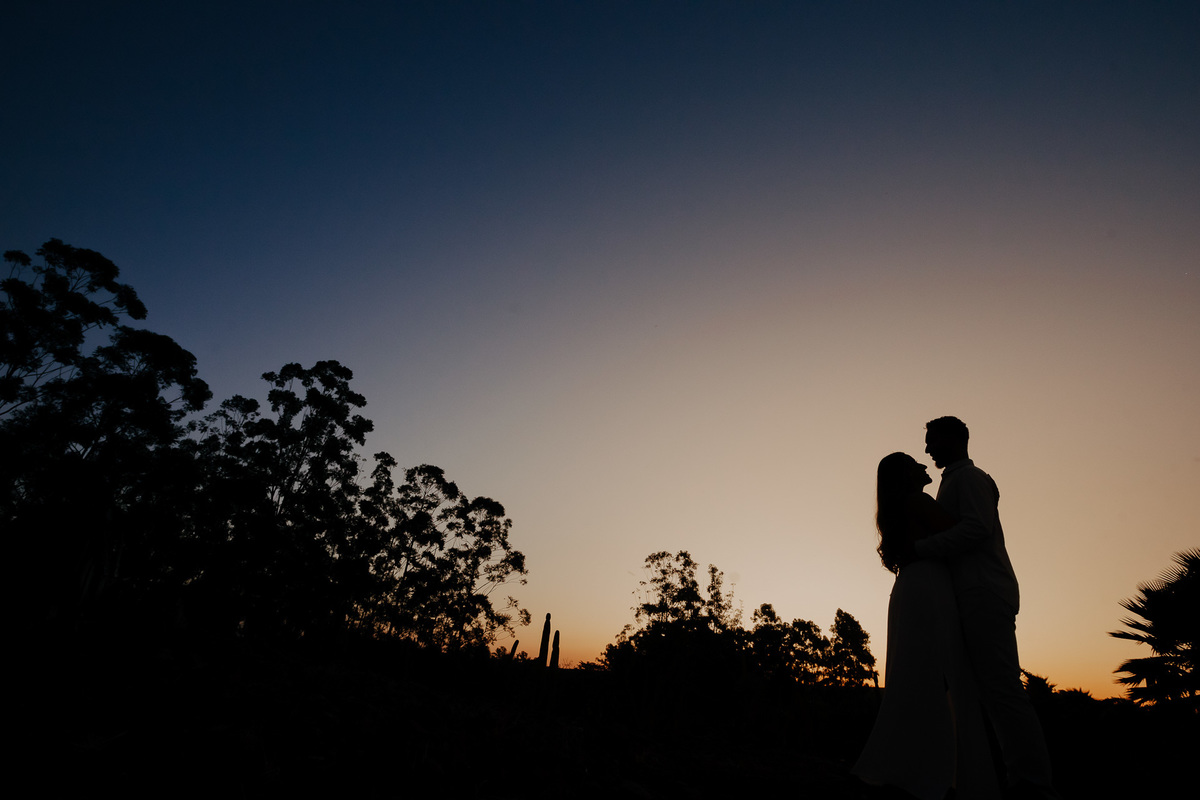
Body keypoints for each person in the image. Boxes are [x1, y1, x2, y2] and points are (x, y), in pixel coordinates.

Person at [916, 417, 1057, 800]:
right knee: (983, 691)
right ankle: (1009, 778)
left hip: (984, 592)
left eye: (931, 441)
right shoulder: (955, 481)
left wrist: (922, 549)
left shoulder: (970, 479)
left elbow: (977, 528)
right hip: (972, 593)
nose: (927, 450)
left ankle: (1032, 783)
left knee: (1002, 688)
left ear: (953, 439)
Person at [853, 452, 1000, 800]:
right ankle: (929, 770)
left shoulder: (895, 509)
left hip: (910, 587)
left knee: (913, 674)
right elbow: (961, 529)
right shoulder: (917, 501)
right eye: (915, 464)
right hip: (929, 588)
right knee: (935, 674)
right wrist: (989, 492)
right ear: (906, 475)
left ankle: (909, 763)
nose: (923, 466)